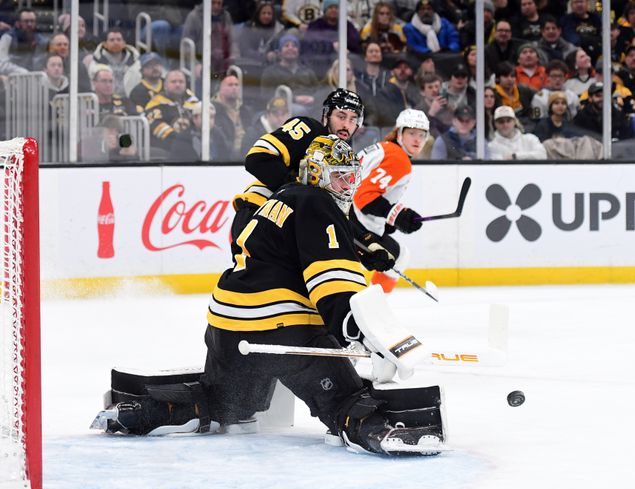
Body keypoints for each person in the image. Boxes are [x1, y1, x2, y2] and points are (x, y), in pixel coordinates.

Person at [96, 134, 447, 456]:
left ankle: (143, 412)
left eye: (352, 176)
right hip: (278, 326)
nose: (348, 184)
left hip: (227, 325)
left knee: (225, 404)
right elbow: (331, 280)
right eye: (339, 175)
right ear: (315, 174)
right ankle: (378, 431)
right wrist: (359, 332)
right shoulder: (317, 204)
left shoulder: (281, 198)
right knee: (345, 398)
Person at [234, 88, 364, 241]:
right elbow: (257, 158)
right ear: (326, 115)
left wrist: (368, 241)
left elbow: (338, 211)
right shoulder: (309, 129)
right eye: (341, 116)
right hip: (260, 213)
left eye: (353, 119)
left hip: (289, 222)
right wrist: (299, 188)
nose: (346, 125)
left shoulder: (344, 156)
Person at [352, 109, 430, 293]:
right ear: (399, 133)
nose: (417, 140)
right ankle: (373, 306)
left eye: (422, 134)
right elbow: (364, 196)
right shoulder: (398, 158)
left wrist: (386, 221)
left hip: (344, 214)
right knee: (398, 257)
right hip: (352, 222)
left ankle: (370, 304)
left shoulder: (384, 148)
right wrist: (396, 214)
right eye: (411, 133)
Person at [0, 8, 47, 75]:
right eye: (26, 21)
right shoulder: (7, 38)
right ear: (17, 23)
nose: (29, 24)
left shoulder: (42, 40)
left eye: (32, 21)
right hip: (12, 80)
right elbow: (2, 65)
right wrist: (24, 73)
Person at [89, 28, 141, 97]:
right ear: (104, 44)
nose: (116, 42)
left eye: (119, 40)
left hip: (131, 101)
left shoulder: (136, 62)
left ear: (124, 43)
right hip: (105, 101)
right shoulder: (96, 62)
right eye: (112, 40)